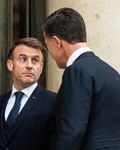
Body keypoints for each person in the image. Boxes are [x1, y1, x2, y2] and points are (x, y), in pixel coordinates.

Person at [43, 7, 120, 150]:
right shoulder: (112, 73)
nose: (50, 54)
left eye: (47, 47)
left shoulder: (76, 71)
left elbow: (72, 131)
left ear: (57, 42)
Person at [0, 37, 57, 150]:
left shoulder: (53, 101)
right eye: (23, 59)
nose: (29, 65)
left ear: (41, 68)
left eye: (35, 60)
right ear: (10, 65)